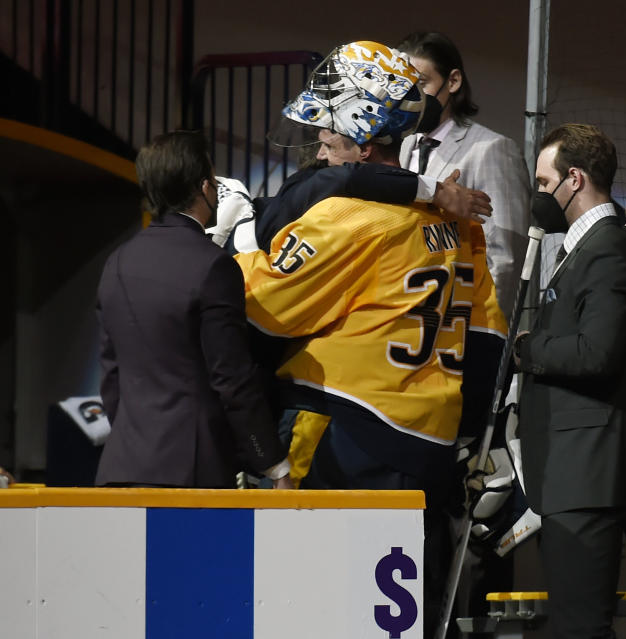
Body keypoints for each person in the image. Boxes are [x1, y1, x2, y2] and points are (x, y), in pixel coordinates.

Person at [232, 41, 507, 637]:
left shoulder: (345, 216)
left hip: (343, 432)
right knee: (406, 618)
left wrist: (239, 242)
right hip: (430, 441)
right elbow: (486, 333)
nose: (319, 148)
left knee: (313, 607)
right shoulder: (456, 223)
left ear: (363, 135)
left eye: (328, 136)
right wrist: (465, 434)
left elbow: (260, 310)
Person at [95, 131, 292, 489]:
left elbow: (111, 375)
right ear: (204, 187)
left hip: (122, 466)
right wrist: (273, 463)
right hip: (191, 469)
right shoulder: (214, 266)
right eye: (214, 180)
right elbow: (231, 378)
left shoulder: (117, 262)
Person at [513, 124, 626, 639]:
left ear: (575, 178)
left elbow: (599, 351)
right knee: (573, 621)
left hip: (588, 470)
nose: (539, 194)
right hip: (569, 470)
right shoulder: (585, 246)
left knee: (581, 625)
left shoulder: (609, 246)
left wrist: (526, 349)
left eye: (545, 183)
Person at [397, 32, 531, 321]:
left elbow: (505, 256)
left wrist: (485, 332)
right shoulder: (406, 145)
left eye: (420, 83)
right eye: (402, 85)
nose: (410, 96)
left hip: (464, 324)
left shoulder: (492, 149)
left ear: (453, 81)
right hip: (413, 320)